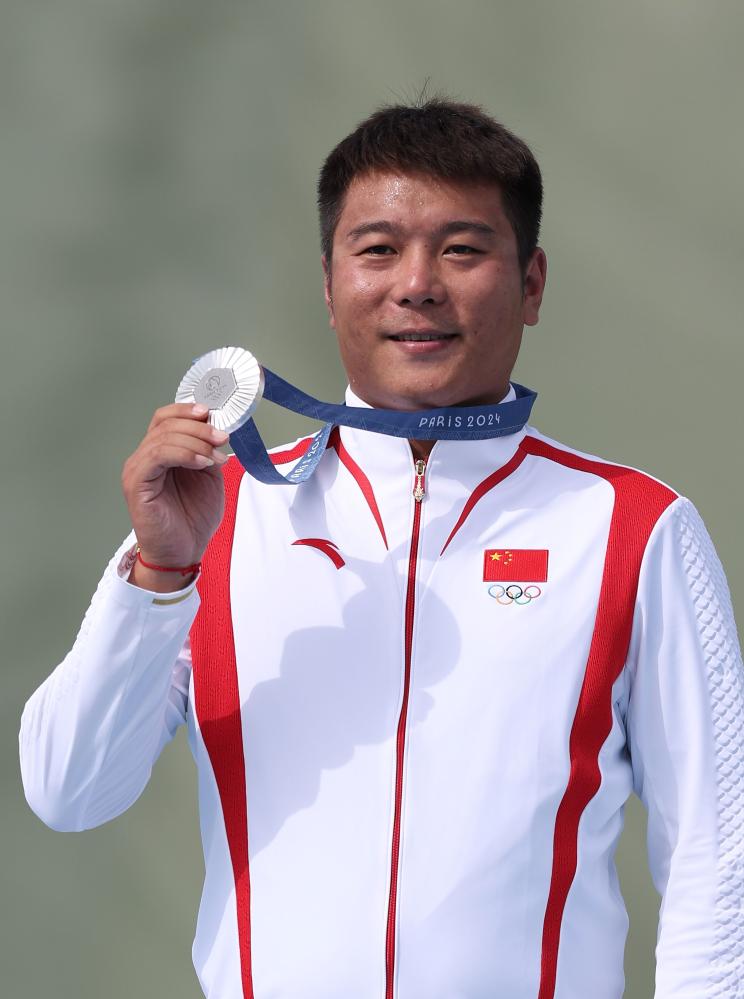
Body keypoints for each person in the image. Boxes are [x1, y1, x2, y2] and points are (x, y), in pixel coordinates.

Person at [19, 99, 744, 999]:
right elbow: (69, 789)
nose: (417, 284)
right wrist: (159, 575)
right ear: (328, 287)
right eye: (377, 249)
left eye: (463, 249)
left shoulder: (637, 527)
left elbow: (720, 857)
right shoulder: (216, 510)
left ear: (533, 283)